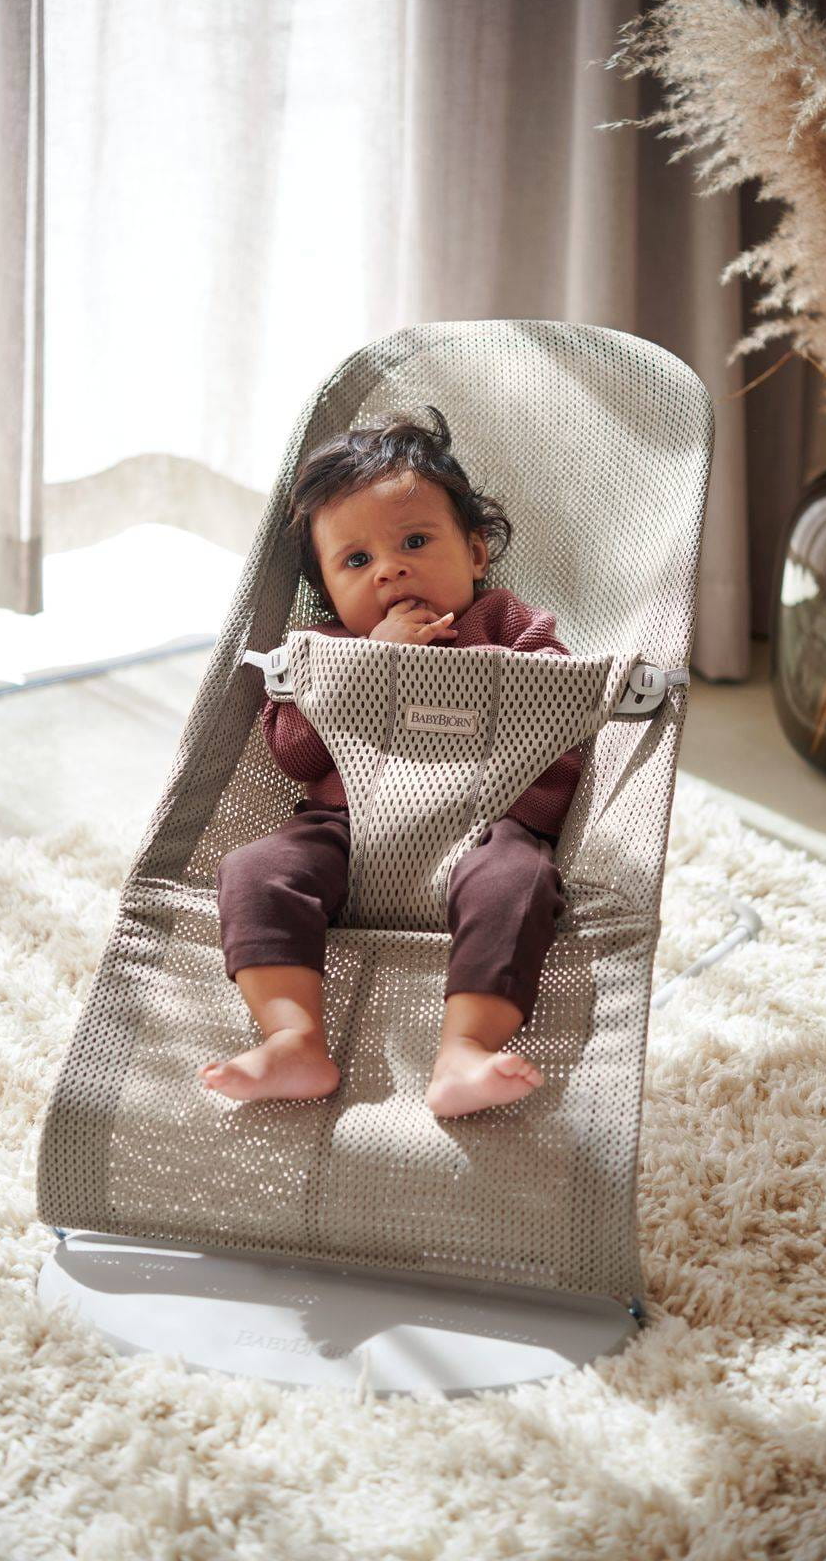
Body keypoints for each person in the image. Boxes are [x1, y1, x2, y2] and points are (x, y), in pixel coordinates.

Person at [203, 404, 582, 1118]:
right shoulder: (327, 650)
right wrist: (372, 665)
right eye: (356, 561)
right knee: (253, 869)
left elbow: (564, 713)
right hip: (346, 831)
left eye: (414, 540)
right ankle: (292, 1037)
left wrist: (464, 670)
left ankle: (465, 1049)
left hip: (487, 829)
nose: (390, 569)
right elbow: (294, 752)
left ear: (476, 555)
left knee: (520, 884)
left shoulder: (508, 624)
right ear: (327, 591)